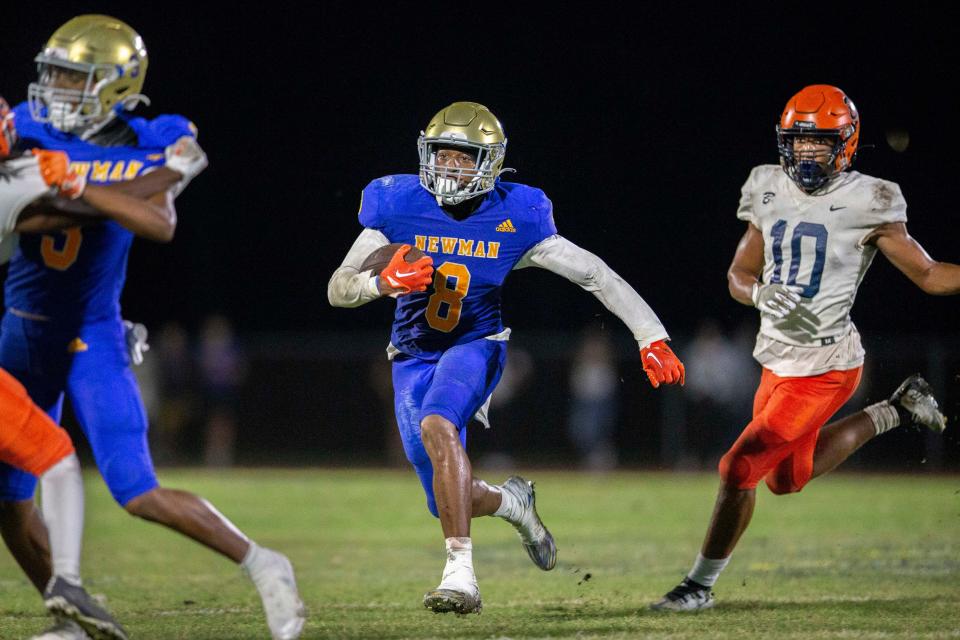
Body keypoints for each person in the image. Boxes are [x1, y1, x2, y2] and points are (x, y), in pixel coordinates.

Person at [0, 17, 304, 640]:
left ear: (114, 85)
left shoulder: (144, 135)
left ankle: (264, 564)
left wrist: (76, 186)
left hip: (90, 337)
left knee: (136, 490)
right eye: (51, 71)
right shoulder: (26, 131)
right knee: (8, 500)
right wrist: (105, 194)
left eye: (72, 76)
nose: (54, 86)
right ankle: (70, 619)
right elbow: (23, 218)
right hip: (19, 331)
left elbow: (160, 219)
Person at [328, 101, 685, 614]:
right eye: (442, 156)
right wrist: (379, 282)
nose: (449, 168)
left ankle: (461, 577)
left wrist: (650, 335)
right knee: (446, 501)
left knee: (437, 425)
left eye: (463, 158)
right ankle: (512, 503)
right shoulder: (396, 204)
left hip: (476, 344)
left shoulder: (516, 213)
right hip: (410, 353)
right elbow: (338, 288)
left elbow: (594, 274)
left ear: (489, 163)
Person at [652, 85, 956, 612]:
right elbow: (738, 275)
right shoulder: (766, 185)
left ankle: (698, 586)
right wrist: (761, 292)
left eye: (819, 142)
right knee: (785, 481)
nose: (806, 153)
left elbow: (929, 275)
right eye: (798, 141)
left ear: (847, 142)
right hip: (776, 355)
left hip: (826, 365)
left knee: (738, 467)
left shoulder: (872, 197)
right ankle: (896, 411)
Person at [2, 99, 130, 639]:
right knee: (54, 455)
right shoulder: (11, 182)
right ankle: (69, 586)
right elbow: (82, 213)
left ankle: (69, 602)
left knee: (38, 469)